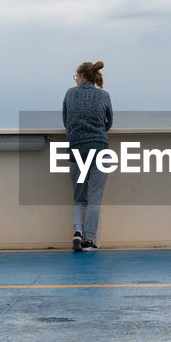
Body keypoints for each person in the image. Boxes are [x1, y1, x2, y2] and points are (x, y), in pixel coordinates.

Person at [62, 60, 113, 251]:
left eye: (76, 76)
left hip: (76, 149)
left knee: (79, 199)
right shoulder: (104, 95)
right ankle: (89, 240)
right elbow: (109, 123)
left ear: (82, 77)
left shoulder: (69, 94)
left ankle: (77, 231)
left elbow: (66, 121)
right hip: (99, 148)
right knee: (95, 200)